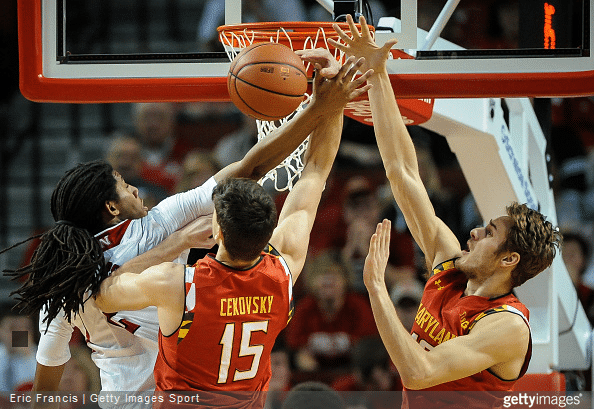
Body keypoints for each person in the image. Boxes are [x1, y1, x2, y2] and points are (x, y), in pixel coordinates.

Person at [1, 56, 369, 404]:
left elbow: (50, 381)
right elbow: (261, 169)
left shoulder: (67, 289)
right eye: (122, 183)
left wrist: (320, 107)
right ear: (110, 208)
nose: (133, 186)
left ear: (220, 231)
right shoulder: (169, 232)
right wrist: (323, 106)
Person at [327, 15, 562, 408]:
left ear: (509, 259)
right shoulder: (447, 266)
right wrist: (377, 73)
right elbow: (402, 173)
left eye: (489, 233)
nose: (474, 232)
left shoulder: (506, 326)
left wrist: (377, 289)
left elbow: (419, 371)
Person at [284, 251, 378, 382]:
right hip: (313, 372)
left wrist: (350, 341)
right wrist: (309, 342)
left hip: (352, 371)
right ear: (312, 280)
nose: (328, 280)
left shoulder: (358, 305)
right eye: (322, 274)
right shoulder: (305, 307)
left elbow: (369, 341)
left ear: (346, 279)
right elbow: (292, 342)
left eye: (334, 275)